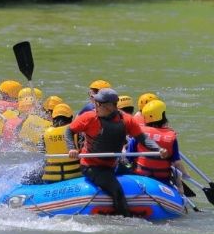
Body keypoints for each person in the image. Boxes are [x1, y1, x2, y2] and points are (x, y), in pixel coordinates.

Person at [65, 88, 167, 217]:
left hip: (113, 164)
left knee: (134, 171)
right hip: (92, 166)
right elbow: (69, 131)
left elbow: (143, 139)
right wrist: (71, 148)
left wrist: (158, 149)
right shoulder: (89, 117)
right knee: (117, 190)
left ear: (109, 106)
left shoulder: (126, 120)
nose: (95, 106)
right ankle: (126, 219)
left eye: (98, 104)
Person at [127, 100, 188, 192]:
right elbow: (177, 163)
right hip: (162, 181)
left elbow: (129, 157)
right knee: (179, 187)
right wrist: (185, 175)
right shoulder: (171, 136)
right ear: (162, 116)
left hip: (139, 177)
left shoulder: (138, 133)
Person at [22, 104, 80, 184]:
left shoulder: (45, 135)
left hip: (52, 179)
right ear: (71, 118)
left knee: (28, 178)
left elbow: (41, 157)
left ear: (53, 119)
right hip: (75, 176)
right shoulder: (77, 133)